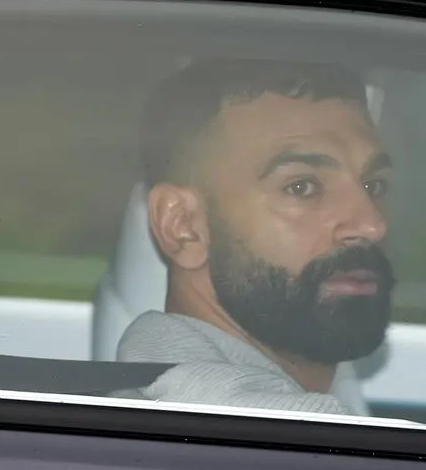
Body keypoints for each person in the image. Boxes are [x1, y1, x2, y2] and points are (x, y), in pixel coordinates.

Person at [112, 58, 395, 415]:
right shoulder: (274, 453)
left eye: (374, 185)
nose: (372, 225)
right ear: (182, 225)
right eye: (301, 187)